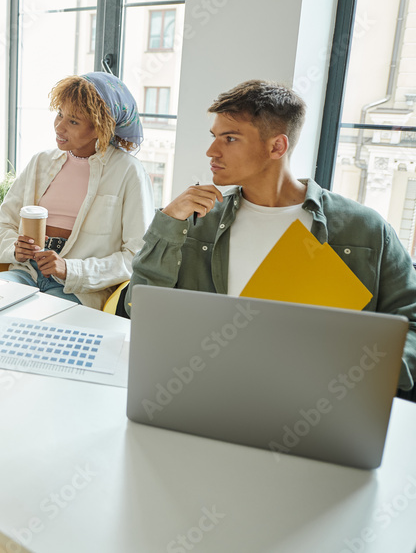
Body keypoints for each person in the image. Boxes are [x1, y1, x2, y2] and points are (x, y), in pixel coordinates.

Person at [125, 80, 416, 390]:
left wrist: (356, 373)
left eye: (230, 138)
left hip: (319, 404)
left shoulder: (364, 229)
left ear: (277, 146)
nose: (212, 151)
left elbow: (410, 326)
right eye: (214, 137)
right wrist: (167, 223)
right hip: (211, 392)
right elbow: (140, 310)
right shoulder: (197, 222)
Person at [0, 73, 155, 309]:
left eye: (73, 121)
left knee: (37, 326)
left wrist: (70, 270)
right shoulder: (40, 162)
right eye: (59, 114)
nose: (59, 127)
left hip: (79, 289)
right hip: (26, 274)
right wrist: (14, 248)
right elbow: (1, 228)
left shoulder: (129, 172)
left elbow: (136, 256)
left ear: (100, 127)